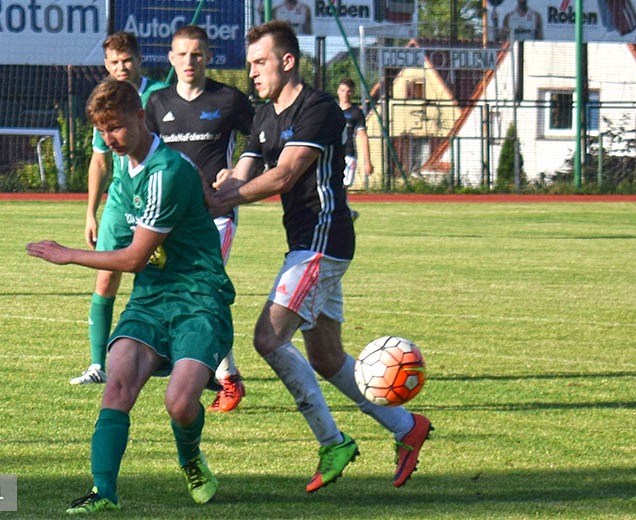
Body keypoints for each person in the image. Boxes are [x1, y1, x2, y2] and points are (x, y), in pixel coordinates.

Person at [206, 21, 432, 492]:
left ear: (288, 61)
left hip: (323, 242)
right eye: (250, 65)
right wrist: (204, 190)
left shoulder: (320, 108)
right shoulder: (266, 116)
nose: (253, 73)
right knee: (327, 358)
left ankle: (332, 441)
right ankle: (407, 427)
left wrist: (225, 199)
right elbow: (241, 173)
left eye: (260, 63)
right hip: (308, 243)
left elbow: (284, 175)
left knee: (268, 340)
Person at [26, 79, 234, 513]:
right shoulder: (125, 168)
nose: (109, 139)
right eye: (102, 131)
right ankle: (103, 492)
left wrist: (67, 255)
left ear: (141, 118)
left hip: (198, 295)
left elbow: (136, 257)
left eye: (117, 128)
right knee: (117, 385)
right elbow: (118, 240)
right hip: (152, 297)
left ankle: (191, 459)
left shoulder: (168, 174)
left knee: (179, 404)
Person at [144, 25, 254, 412]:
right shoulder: (156, 103)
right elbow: (145, 158)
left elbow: (262, 141)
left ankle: (224, 377)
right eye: (182, 54)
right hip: (170, 216)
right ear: (170, 58)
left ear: (208, 57)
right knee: (186, 294)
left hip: (216, 216)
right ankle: (212, 369)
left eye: (197, 54)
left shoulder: (228, 99)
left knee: (200, 291)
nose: (189, 61)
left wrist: (240, 173)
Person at [73, 31, 167, 385]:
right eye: (113, 62)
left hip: (157, 193)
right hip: (120, 199)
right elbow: (99, 162)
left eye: (126, 60)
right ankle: (98, 365)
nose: (121, 67)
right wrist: (90, 212)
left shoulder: (158, 95)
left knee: (159, 275)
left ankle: (169, 356)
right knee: (106, 274)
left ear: (139, 58)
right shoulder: (106, 99)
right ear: (105, 64)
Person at [336, 78, 373, 220]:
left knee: (343, 185)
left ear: (352, 93)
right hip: (333, 154)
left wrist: (367, 162)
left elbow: (363, 136)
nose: (345, 94)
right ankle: (345, 213)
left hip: (348, 154)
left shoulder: (356, 113)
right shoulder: (332, 110)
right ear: (338, 91)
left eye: (348, 91)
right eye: (342, 90)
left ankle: (344, 213)